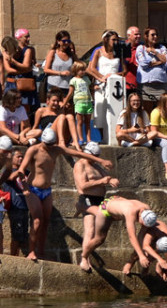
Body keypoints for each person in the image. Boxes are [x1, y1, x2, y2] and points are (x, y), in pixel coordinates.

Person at [11, 128, 112, 261]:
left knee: (46, 222)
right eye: (48, 144)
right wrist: (24, 188)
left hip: (47, 191)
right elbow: (21, 170)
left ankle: (40, 252)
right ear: (42, 141)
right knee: (37, 221)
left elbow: (78, 153)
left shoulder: (56, 149)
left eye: (52, 144)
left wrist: (101, 161)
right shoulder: (33, 150)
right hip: (33, 189)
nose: (50, 147)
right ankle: (31, 251)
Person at [74, 141, 118, 269]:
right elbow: (82, 186)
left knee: (96, 233)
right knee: (90, 231)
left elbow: (106, 178)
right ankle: (84, 259)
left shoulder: (95, 166)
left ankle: (86, 257)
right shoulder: (80, 165)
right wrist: (101, 181)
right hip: (87, 200)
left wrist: (111, 180)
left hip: (99, 200)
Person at [87, 30, 124, 141]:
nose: (116, 42)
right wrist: (101, 77)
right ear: (106, 40)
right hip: (101, 84)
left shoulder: (119, 52)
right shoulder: (98, 51)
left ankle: (113, 136)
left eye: (117, 40)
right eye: (113, 39)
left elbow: (124, 71)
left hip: (115, 84)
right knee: (100, 111)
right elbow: (92, 68)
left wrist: (113, 75)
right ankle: (103, 137)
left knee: (115, 110)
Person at [135, 27, 167, 114]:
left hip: (161, 85)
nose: (155, 37)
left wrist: (155, 52)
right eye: (152, 35)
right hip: (147, 85)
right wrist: (159, 62)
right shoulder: (141, 48)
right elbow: (143, 63)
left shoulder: (162, 48)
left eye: (156, 35)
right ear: (146, 36)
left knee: (162, 109)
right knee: (147, 110)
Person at [2, 30, 37, 116]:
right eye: (26, 36)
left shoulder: (28, 50)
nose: (28, 38)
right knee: (9, 107)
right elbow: (8, 70)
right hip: (12, 83)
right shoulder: (5, 53)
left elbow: (26, 65)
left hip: (24, 84)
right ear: (19, 38)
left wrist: (13, 61)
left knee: (25, 109)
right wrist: (24, 70)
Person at [43, 30, 76, 96]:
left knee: (66, 106)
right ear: (58, 41)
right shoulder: (53, 52)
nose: (66, 43)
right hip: (54, 85)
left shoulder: (71, 54)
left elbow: (78, 65)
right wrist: (60, 73)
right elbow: (46, 69)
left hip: (67, 86)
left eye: (68, 41)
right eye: (64, 41)